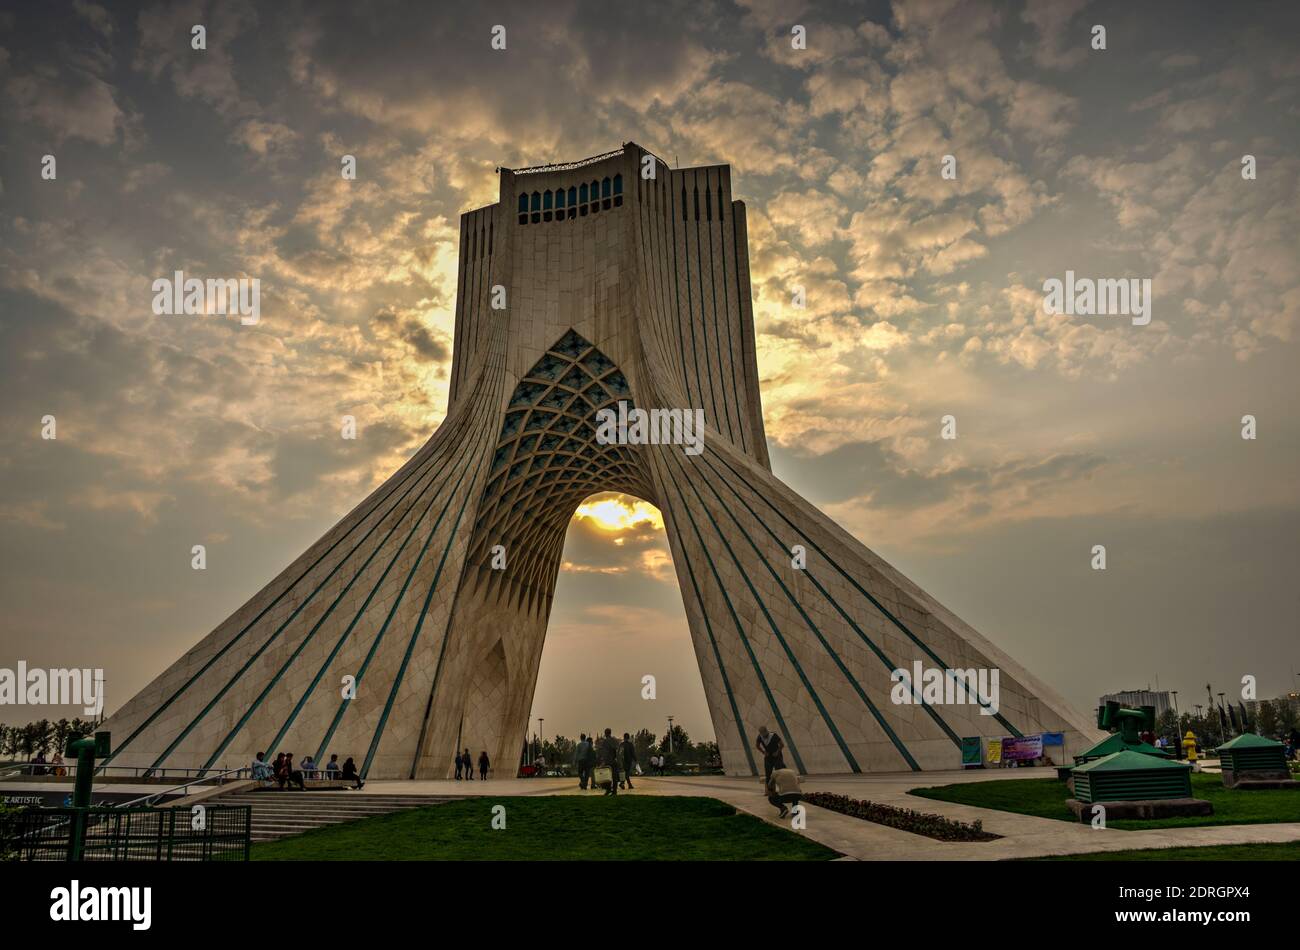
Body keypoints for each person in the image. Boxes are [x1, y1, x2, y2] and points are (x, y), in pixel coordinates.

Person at [598, 728, 620, 795]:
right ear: (610, 733)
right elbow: (617, 750)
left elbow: (605, 752)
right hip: (614, 760)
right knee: (614, 776)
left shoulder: (605, 741)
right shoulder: (614, 740)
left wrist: (603, 761)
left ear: (605, 733)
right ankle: (615, 790)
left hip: (608, 761)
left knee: (606, 776)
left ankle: (608, 789)